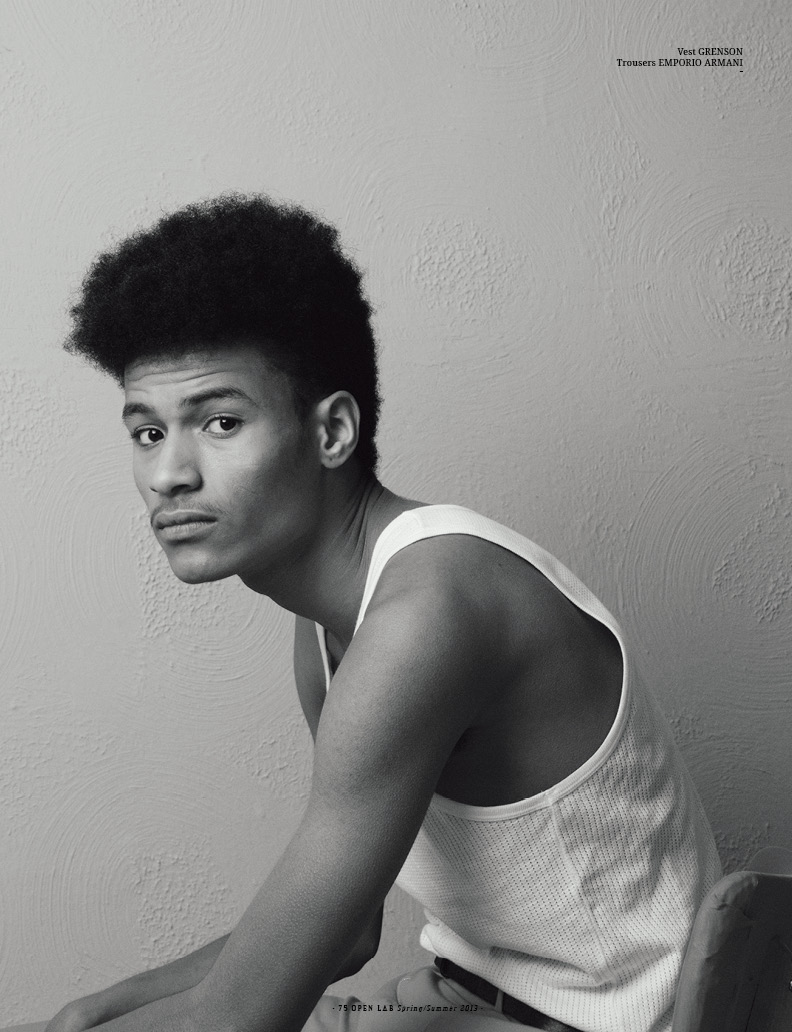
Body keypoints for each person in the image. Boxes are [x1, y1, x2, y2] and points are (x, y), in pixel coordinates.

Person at [41, 194, 719, 1032]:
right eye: (147, 433)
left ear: (332, 431)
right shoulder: (330, 621)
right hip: (457, 998)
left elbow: (241, 1019)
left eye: (219, 422)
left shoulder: (427, 613)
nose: (169, 474)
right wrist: (92, 1011)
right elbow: (348, 934)